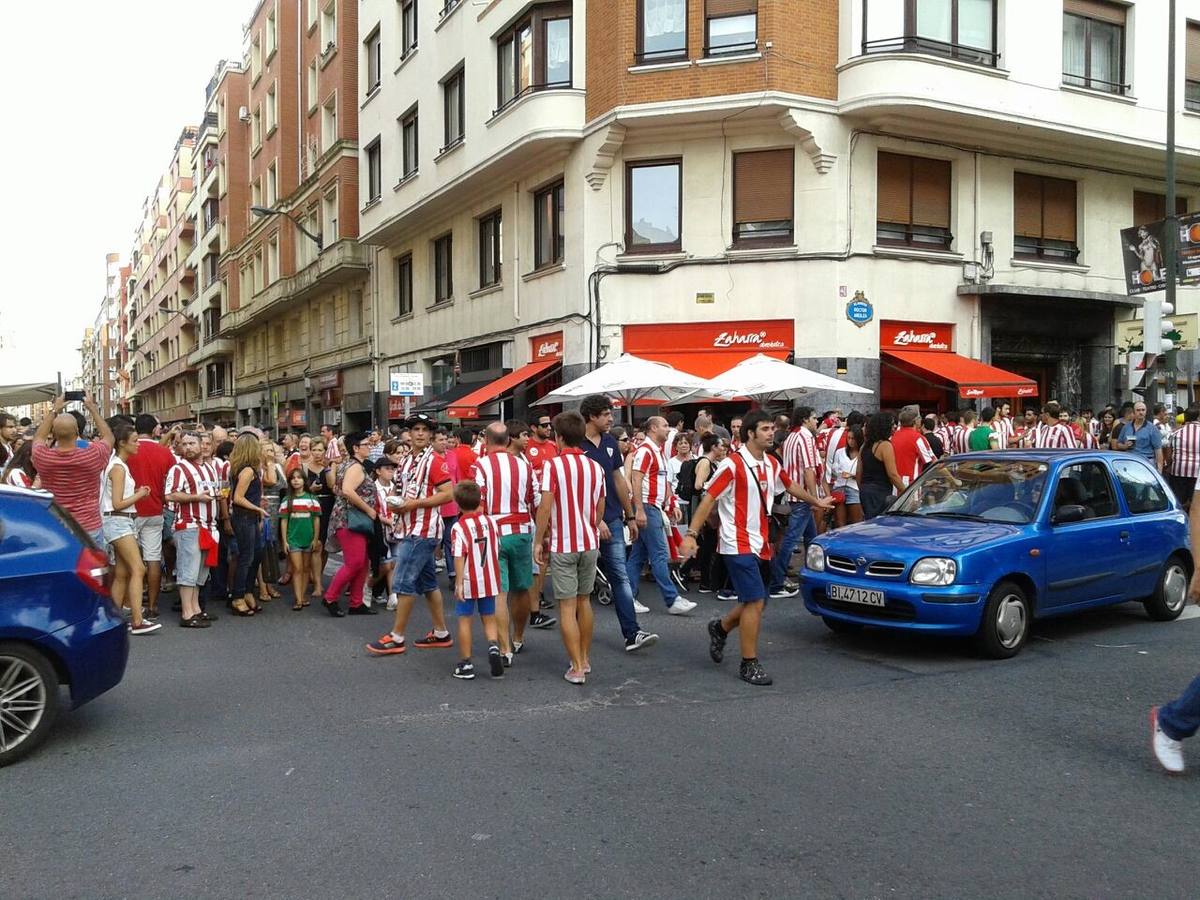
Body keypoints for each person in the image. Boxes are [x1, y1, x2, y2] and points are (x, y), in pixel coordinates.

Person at [679, 410, 833, 686]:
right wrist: (691, 534)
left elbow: (790, 485)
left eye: (772, 428)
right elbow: (708, 500)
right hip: (736, 543)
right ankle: (748, 663)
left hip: (761, 542)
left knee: (756, 603)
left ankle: (720, 628)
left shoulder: (772, 463)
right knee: (754, 602)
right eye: (764, 429)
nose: (771, 433)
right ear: (750, 434)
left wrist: (815, 501)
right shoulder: (732, 465)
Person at [367, 415, 456, 656]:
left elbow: (449, 493)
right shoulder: (405, 461)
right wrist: (396, 502)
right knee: (428, 583)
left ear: (430, 434)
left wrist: (414, 503)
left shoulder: (435, 461)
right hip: (407, 527)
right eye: (415, 429)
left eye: (424, 430)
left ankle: (396, 637)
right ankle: (441, 632)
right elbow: (400, 488)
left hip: (422, 530)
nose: (419, 434)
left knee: (403, 582)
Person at [579, 395, 659, 653]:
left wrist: (631, 514)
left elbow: (618, 480)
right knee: (582, 583)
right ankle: (579, 642)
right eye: (605, 414)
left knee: (620, 576)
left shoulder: (611, 443)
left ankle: (632, 633)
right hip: (583, 523)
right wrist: (596, 519)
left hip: (613, 519)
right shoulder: (576, 444)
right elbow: (576, 489)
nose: (610, 419)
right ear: (591, 416)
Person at [534, 411, 605, 685]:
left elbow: (545, 505)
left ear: (558, 437)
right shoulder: (595, 468)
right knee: (584, 601)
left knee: (566, 606)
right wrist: (592, 524)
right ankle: (584, 659)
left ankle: (575, 666)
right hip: (589, 541)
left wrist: (539, 540)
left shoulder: (553, 466)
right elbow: (599, 505)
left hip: (564, 543)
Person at [473, 424, 536, 663]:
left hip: (493, 532)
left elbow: (478, 503)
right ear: (509, 439)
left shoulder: (481, 466)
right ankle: (518, 637)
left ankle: (504, 647)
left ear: (487, 440)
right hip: (521, 530)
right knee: (521, 588)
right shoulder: (524, 464)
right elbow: (533, 498)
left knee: (499, 591)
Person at [627, 415, 695, 616]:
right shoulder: (647, 451)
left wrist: (671, 502)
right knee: (659, 554)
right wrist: (639, 509)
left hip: (652, 506)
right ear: (653, 428)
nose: (669, 429)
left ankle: (628, 596)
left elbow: (663, 482)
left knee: (638, 556)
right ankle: (671, 599)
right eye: (665, 426)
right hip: (648, 507)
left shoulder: (656, 452)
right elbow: (636, 480)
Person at [31, 393, 114, 547]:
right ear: (77, 431)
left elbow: (38, 438)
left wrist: (54, 410)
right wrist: (92, 409)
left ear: (54, 434)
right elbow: (109, 437)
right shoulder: (92, 455)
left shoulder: (43, 457)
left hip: (57, 527)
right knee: (90, 570)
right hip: (89, 527)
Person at [102, 422, 160, 635]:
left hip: (117, 520)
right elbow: (117, 503)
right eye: (134, 441)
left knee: (122, 571)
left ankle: (114, 618)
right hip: (118, 520)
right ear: (122, 443)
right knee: (138, 568)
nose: (138, 445)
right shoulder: (118, 467)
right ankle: (137, 619)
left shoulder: (116, 465)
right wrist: (139, 494)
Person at [448, 480, 505, 680]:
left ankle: (466, 663)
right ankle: (493, 647)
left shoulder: (459, 527)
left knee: (465, 619)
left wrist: (458, 583)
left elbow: (458, 555)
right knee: (488, 617)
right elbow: (497, 545)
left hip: (470, 579)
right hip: (489, 576)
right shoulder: (490, 521)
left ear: (457, 503)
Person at [163, 432, 219, 628]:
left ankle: (196, 609)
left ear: (202, 446)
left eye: (192, 443)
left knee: (200, 574)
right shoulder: (178, 469)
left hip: (209, 526)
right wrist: (196, 498)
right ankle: (187, 614)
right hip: (189, 525)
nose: (188, 447)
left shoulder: (210, 469)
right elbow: (169, 495)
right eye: (184, 444)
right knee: (188, 571)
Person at [125, 414, 177, 618]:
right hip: (156, 508)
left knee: (129, 561)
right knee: (153, 558)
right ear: (155, 429)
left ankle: (133, 602)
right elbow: (173, 477)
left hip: (130, 511)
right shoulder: (164, 452)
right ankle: (153, 606)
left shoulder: (128, 450)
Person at [323, 432, 379, 617]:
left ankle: (357, 602)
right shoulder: (355, 467)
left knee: (362, 562)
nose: (369, 447)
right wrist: (369, 509)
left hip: (350, 519)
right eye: (366, 444)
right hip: (350, 519)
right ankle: (330, 597)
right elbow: (347, 490)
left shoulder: (348, 464)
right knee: (355, 562)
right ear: (356, 448)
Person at [228, 433, 268, 617]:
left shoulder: (248, 469)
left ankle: (247, 591)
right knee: (247, 557)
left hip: (249, 517)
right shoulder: (247, 471)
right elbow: (238, 498)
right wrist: (258, 509)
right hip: (244, 517)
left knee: (257, 554)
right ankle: (238, 596)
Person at [279, 468, 321, 612]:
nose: (296, 480)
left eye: (299, 477)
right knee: (297, 568)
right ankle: (298, 599)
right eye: (293, 478)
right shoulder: (287, 500)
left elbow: (316, 520)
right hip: (293, 539)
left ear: (304, 480)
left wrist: (315, 538)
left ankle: (302, 596)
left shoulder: (312, 499)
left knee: (305, 568)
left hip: (308, 538)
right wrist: (284, 540)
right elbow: (284, 521)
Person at [860, 412, 906, 519]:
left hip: (865, 491)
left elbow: (859, 472)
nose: (894, 426)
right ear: (884, 426)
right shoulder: (885, 445)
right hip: (881, 492)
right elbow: (892, 475)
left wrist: (863, 489)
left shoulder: (865, 446)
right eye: (891, 424)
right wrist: (906, 492)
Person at [892, 406, 938, 484]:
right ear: (915, 421)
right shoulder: (918, 438)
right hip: (912, 484)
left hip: (894, 482)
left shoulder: (893, 437)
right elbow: (934, 462)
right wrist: (952, 479)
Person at [1165, 406, 1200, 508]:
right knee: (1196, 502)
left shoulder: (1176, 433)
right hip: (1197, 473)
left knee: (1179, 500)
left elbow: (1168, 453)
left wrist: (1170, 464)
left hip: (1179, 470)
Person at [1113, 400, 1164, 470]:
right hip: (1129, 462)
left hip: (1146, 463)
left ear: (1146, 412)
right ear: (1134, 412)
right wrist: (1125, 446)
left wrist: (1159, 470)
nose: (1141, 412)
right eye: (1138, 410)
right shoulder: (1126, 427)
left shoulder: (1152, 428)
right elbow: (1118, 444)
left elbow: (1158, 451)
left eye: (1143, 410)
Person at [831, 425, 864, 528]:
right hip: (840, 487)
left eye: (853, 438)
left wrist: (854, 476)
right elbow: (833, 470)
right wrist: (839, 472)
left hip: (854, 488)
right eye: (848, 438)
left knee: (856, 522)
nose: (850, 441)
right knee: (839, 522)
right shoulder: (840, 452)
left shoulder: (862, 454)